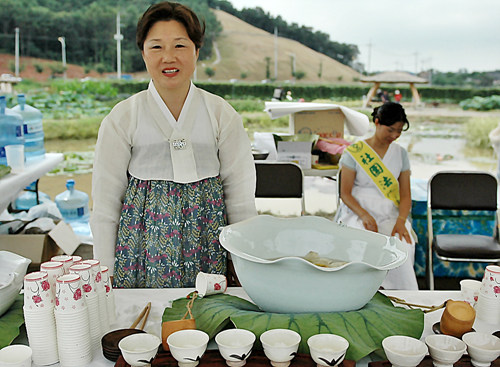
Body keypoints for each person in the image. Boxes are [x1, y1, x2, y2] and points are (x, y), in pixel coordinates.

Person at [90, 2, 257, 289]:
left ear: (196, 51)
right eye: (156, 47)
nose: (169, 57)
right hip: (140, 252)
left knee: (204, 325)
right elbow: (105, 205)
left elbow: (240, 199)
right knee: (143, 328)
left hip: (207, 244)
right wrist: (105, 274)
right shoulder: (122, 117)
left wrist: (244, 263)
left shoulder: (221, 114)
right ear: (143, 53)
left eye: (180, 46)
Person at [335, 102, 418, 290]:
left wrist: (401, 220)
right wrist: (363, 215)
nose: (395, 136)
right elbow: (345, 194)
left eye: (399, 131)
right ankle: (356, 291)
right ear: (377, 122)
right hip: (357, 211)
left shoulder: (401, 154)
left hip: (390, 212)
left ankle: (401, 296)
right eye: (390, 130)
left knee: (403, 245)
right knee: (358, 243)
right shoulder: (354, 153)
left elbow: (405, 195)